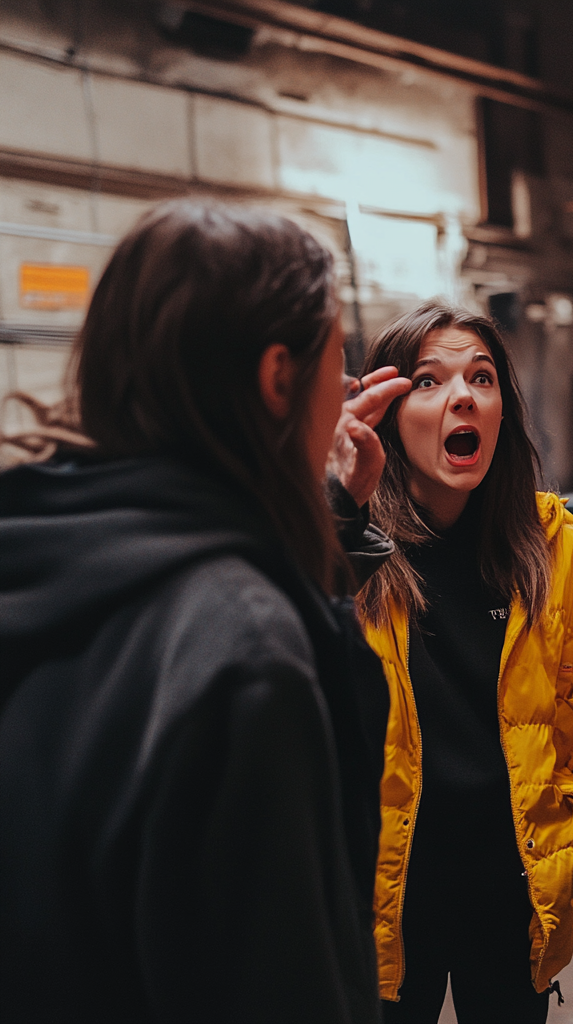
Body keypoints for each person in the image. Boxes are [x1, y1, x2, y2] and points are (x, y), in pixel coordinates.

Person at [0, 200, 410, 1023]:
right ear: (277, 377)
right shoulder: (247, 658)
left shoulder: (42, 549)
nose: (350, 388)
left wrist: (319, 519)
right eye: (338, 360)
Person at [354, 301, 573, 1024]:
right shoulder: (350, 553)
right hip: (382, 903)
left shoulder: (559, 548)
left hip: (513, 900)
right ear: (386, 411)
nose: (462, 396)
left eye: (481, 377)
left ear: (504, 409)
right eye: (428, 381)